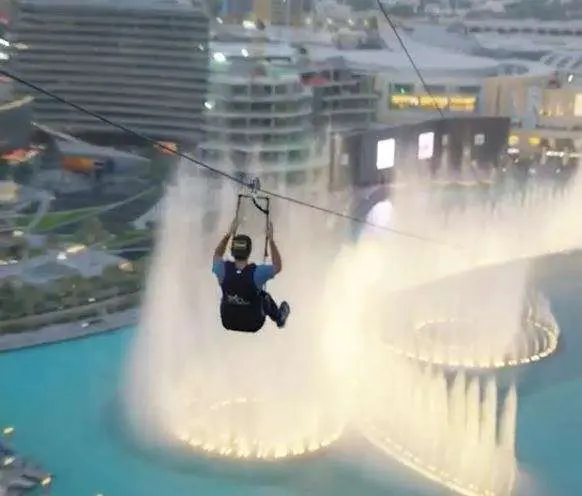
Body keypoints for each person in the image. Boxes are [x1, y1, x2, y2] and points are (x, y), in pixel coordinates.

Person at [212, 218, 290, 333]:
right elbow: (277, 266)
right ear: (249, 252)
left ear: (232, 252)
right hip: (253, 323)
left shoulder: (222, 269)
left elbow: (217, 254)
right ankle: (279, 318)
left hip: (228, 321)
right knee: (264, 297)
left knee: (232, 290)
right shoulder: (257, 273)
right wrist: (271, 240)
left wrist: (229, 233)